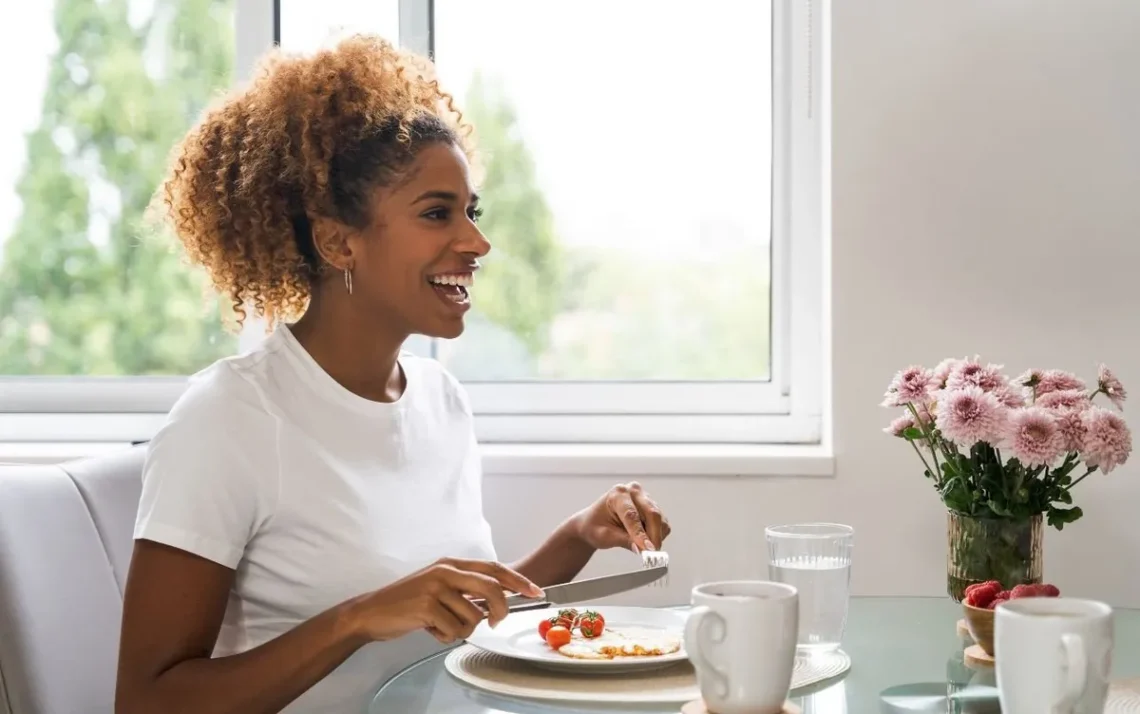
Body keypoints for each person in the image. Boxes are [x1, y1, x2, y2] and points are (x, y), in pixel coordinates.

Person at [114, 34, 671, 714]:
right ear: (338, 241)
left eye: (472, 211)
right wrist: (354, 619)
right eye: (438, 213)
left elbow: (453, 618)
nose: (477, 242)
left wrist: (578, 536)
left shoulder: (440, 401)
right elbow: (145, 702)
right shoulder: (229, 420)